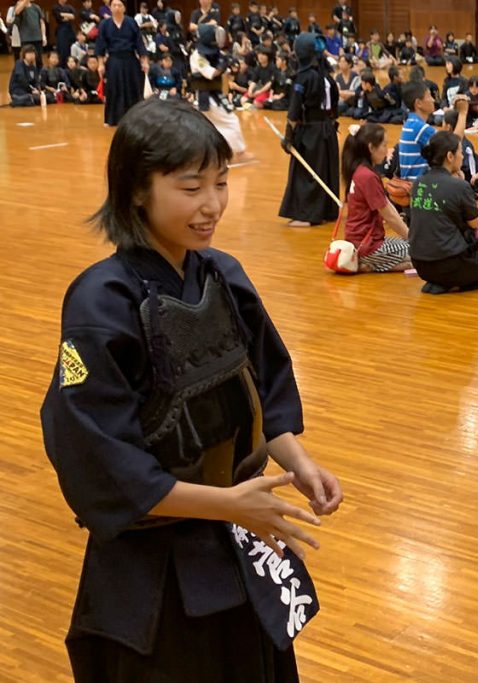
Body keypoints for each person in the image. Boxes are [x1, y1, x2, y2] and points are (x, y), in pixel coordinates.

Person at [40, 97, 343, 682]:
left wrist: (299, 464)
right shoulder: (101, 302)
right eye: (191, 187)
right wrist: (229, 505)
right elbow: (100, 460)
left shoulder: (223, 274)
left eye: (222, 183)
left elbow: (264, 390)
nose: (212, 206)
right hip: (153, 567)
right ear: (135, 190)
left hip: (239, 539)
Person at [409, 132, 478, 295]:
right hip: (448, 263)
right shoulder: (459, 186)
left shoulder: (418, 182)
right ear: (450, 156)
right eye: (460, 152)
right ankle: (453, 284)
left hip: (419, 263)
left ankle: (440, 282)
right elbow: (475, 223)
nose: (462, 156)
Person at [279, 32, 340, 227]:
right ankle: (327, 212)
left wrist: (288, 136)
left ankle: (308, 216)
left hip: (310, 133)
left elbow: (294, 111)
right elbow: (335, 107)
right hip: (328, 130)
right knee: (325, 171)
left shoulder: (304, 78)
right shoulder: (328, 78)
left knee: (308, 173)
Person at [340, 123, 413, 273]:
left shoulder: (361, 171)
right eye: (384, 145)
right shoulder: (367, 176)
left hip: (362, 241)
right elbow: (389, 215)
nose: (388, 150)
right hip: (368, 244)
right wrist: (412, 238)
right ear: (371, 148)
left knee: (413, 246)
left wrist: (409, 235)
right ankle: (370, 264)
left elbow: (387, 206)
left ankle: (368, 263)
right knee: (421, 254)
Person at [191, 25, 254, 162]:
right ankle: (239, 153)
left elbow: (225, 71)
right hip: (207, 97)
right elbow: (211, 74)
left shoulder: (212, 53)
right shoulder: (197, 56)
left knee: (213, 126)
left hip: (213, 95)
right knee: (231, 121)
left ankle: (216, 154)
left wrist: (228, 64)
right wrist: (222, 65)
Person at [399, 80, 469, 181]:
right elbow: (455, 142)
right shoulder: (419, 128)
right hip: (419, 186)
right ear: (418, 103)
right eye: (429, 96)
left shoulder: (411, 122)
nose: (433, 100)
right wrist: (463, 113)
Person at [97, 0, 148, 126]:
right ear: (110, 8)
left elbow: (139, 43)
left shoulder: (131, 22)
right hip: (114, 60)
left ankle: (134, 118)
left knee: (133, 88)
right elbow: (100, 46)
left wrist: (144, 61)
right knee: (114, 88)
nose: (117, 8)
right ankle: (113, 118)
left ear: (124, 8)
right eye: (114, 5)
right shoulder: (104, 24)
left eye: (120, 5)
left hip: (130, 59)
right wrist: (101, 64)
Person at [53, 0, 77, 65]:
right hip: (61, 29)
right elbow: (58, 16)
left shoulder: (70, 6)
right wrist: (68, 15)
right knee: (62, 49)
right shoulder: (55, 7)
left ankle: (71, 64)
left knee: (71, 47)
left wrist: (63, 14)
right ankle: (62, 66)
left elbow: (73, 16)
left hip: (70, 30)